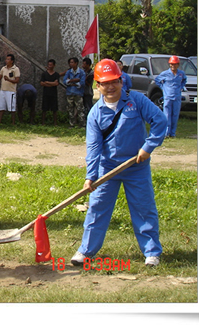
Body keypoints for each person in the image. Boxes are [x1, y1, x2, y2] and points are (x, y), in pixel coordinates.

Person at [71, 59, 167, 268]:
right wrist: (91, 176)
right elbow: (94, 148)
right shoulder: (95, 114)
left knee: (143, 208)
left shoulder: (137, 101)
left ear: (122, 80)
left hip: (136, 166)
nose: (111, 86)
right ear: (98, 85)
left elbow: (160, 121)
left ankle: (151, 252)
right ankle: (86, 251)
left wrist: (148, 147)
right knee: (97, 208)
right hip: (108, 169)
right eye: (105, 83)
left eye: (114, 81)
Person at [155, 55, 187, 138]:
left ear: (178, 65)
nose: (173, 66)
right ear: (169, 64)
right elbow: (157, 80)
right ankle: (166, 133)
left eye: (175, 64)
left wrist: (181, 87)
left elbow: (184, 80)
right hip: (168, 97)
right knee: (167, 115)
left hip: (177, 97)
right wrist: (163, 88)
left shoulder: (181, 73)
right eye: (172, 64)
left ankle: (173, 133)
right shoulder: (165, 73)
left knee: (175, 115)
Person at [0, 54, 21, 126]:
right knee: (1, 106)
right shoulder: (3, 68)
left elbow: (17, 80)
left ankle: (13, 122)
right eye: (6, 59)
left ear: (12, 61)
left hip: (11, 91)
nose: (6, 61)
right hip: (3, 90)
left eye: (8, 59)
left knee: (12, 107)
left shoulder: (15, 69)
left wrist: (9, 79)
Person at [63, 57, 86, 127]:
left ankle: (82, 124)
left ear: (76, 63)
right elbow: (65, 81)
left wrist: (71, 81)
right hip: (70, 92)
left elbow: (82, 83)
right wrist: (75, 80)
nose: (71, 64)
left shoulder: (81, 72)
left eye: (72, 62)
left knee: (80, 109)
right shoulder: (68, 72)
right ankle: (71, 124)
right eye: (70, 62)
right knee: (70, 109)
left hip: (78, 93)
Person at [40, 59, 60, 126]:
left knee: (54, 109)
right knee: (44, 108)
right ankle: (43, 122)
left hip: (53, 93)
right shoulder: (44, 74)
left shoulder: (56, 74)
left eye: (51, 65)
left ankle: (55, 123)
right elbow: (42, 83)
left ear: (54, 65)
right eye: (48, 65)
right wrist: (52, 83)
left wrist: (47, 82)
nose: (49, 66)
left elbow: (56, 83)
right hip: (46, 93)